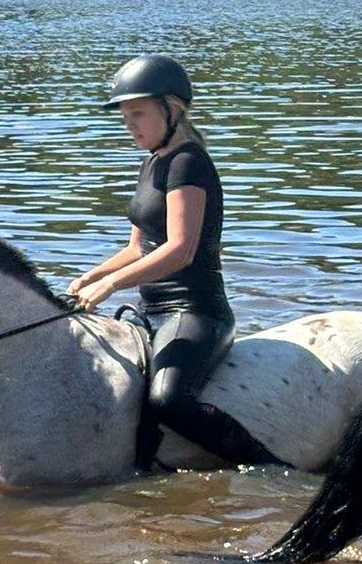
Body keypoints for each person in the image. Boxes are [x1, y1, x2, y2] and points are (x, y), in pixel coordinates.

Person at [68, 52, 278, 470]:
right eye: (125, 117)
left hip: (195, 310)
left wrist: (110, 287)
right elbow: (137, 248)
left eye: (138, 115)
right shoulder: (152, 163)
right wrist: (89, 276)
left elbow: (180, 249)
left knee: (167, 400)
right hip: (151, 311)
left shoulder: (188, 163)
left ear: (172, 109)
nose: (130, 126)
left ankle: (270, 466)